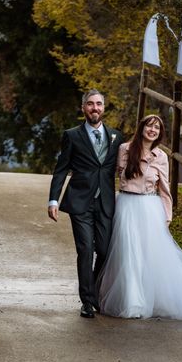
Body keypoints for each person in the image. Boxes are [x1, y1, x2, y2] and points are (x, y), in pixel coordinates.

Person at [99, 114, 182, 319]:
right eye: (150, 126)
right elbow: (110, 176)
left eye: (157, 128)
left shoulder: (160, 156)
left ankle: (153, 298)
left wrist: (167, 216)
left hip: (150, 207)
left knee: (149, 255)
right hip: (126, 205)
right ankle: (132, 301)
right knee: (128, 254)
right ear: (142, 127)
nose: (153, 130)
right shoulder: (124, 149)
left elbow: (165, 189)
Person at [48, 89, 124, 318]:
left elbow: (122, 168)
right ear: (83, 108)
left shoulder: (116, 137)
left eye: (99, 104)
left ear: (104, 107)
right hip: (80, 202)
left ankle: (95, 291)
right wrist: (53, 199)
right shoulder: (72, 135)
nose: (95, 108)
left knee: (103, 250)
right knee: (85, 250)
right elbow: (61, 169)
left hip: (106, 202)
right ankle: (87, 302)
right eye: (90, 104)